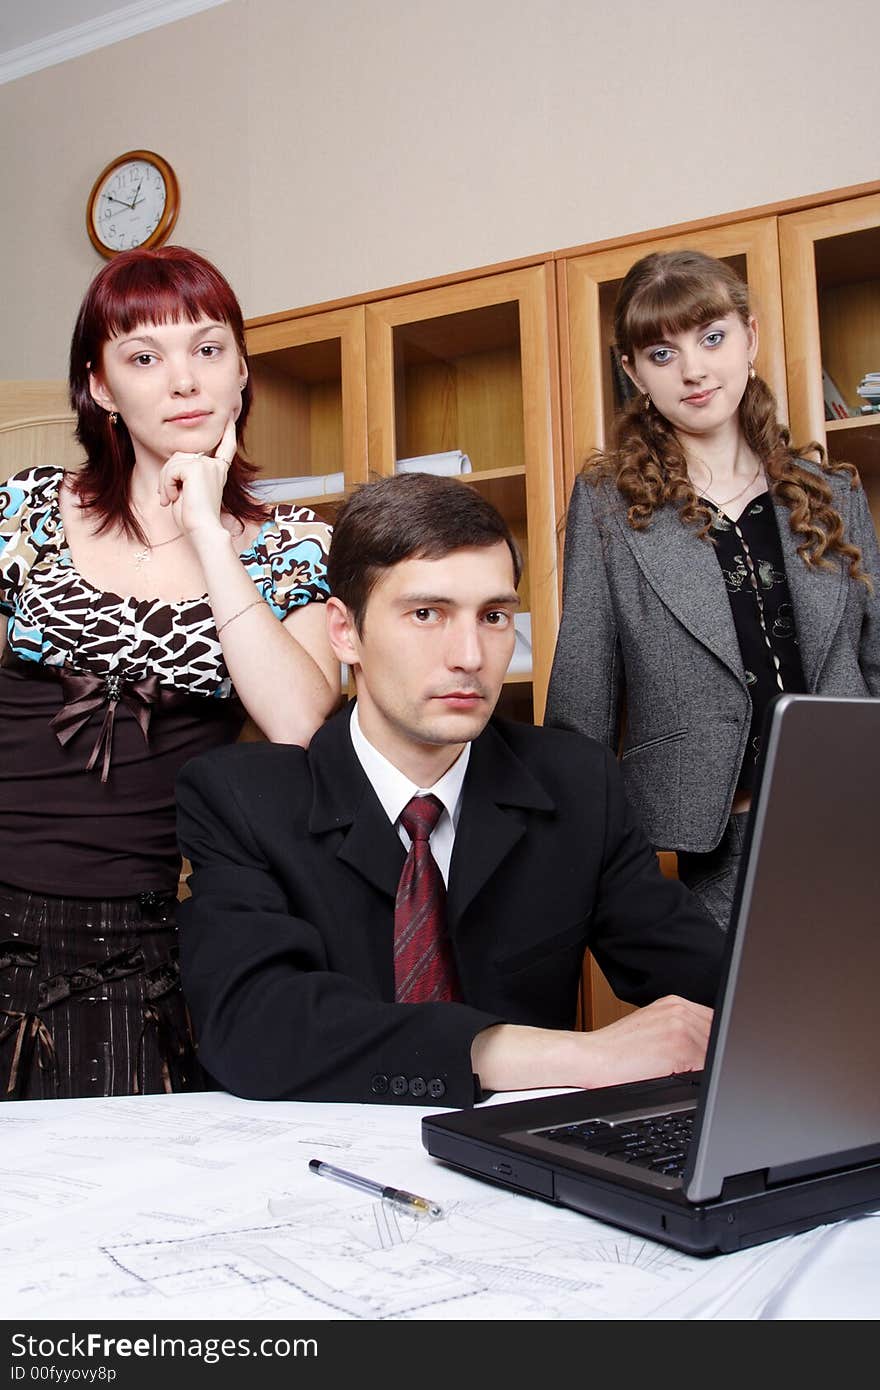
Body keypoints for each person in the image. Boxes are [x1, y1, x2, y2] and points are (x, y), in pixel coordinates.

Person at [176, 472, 724, 1108]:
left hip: (514, 1176)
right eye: (426, 614)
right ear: (345, 632)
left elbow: (711, 978)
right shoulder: (241, 798)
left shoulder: (578, 783)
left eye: (494, 616)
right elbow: (253, 1025)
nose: (469, 655)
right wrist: (567, 1053)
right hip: (310, 1171)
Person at [0, 245, 340, 1100]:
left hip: (146, 941)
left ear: (240, 373)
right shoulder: (25, 507)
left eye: (208, 349)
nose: (184, 380)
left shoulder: (293, 545)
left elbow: (299, 722)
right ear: (103, 388)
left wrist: (208, 530)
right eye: (144, 357)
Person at [545, 249, 880, 928]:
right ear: (630, 370)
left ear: (750, 337)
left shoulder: (834, 493)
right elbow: (584, 690)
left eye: (713, 338)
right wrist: (574, 851)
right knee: (727, 1032)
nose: (694, 369)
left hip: (852, 819)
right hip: (712, 844)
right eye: (661, 354)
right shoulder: (608, 504)